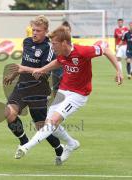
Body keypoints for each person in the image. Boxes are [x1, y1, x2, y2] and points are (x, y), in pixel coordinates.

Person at [11, 26, 123, 163]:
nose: (52, 47)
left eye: (55, 44)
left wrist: (119, 70)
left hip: (79, 95)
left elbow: (105, 50)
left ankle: (26, 147)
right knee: (50, 125)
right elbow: (58, 62)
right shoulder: (61, 53)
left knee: (53, 121)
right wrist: (41, 70)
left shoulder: (82, 51)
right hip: (63, 91)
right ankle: (71, 143)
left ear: (64, 43)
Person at [4, 15, 65, 165]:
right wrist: (14, 74)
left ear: (46, 31)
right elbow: (24, 62)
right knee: (9, 113)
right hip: (22, 86)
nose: (34, 33)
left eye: (38, 30)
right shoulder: (27, 42)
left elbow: (43, 71)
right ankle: (24, 141)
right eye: (33, 30)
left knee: (41, 127)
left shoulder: (49, 47)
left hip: (38, 90)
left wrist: (24, 69)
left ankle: (59, 148)